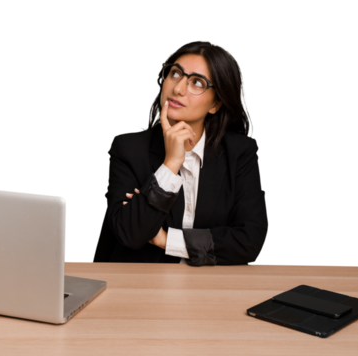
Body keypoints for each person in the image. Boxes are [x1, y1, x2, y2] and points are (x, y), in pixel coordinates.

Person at [92, 39, 268, 266]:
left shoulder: (240, 152)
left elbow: (249, 242)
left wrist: (167, 240)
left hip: (210, 288)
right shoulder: (127, 147)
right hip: (139, 287)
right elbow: (130, 233)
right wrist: (171, 163)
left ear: (216, 104)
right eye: (175, 74)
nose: (178, 88)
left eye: (197, 82)